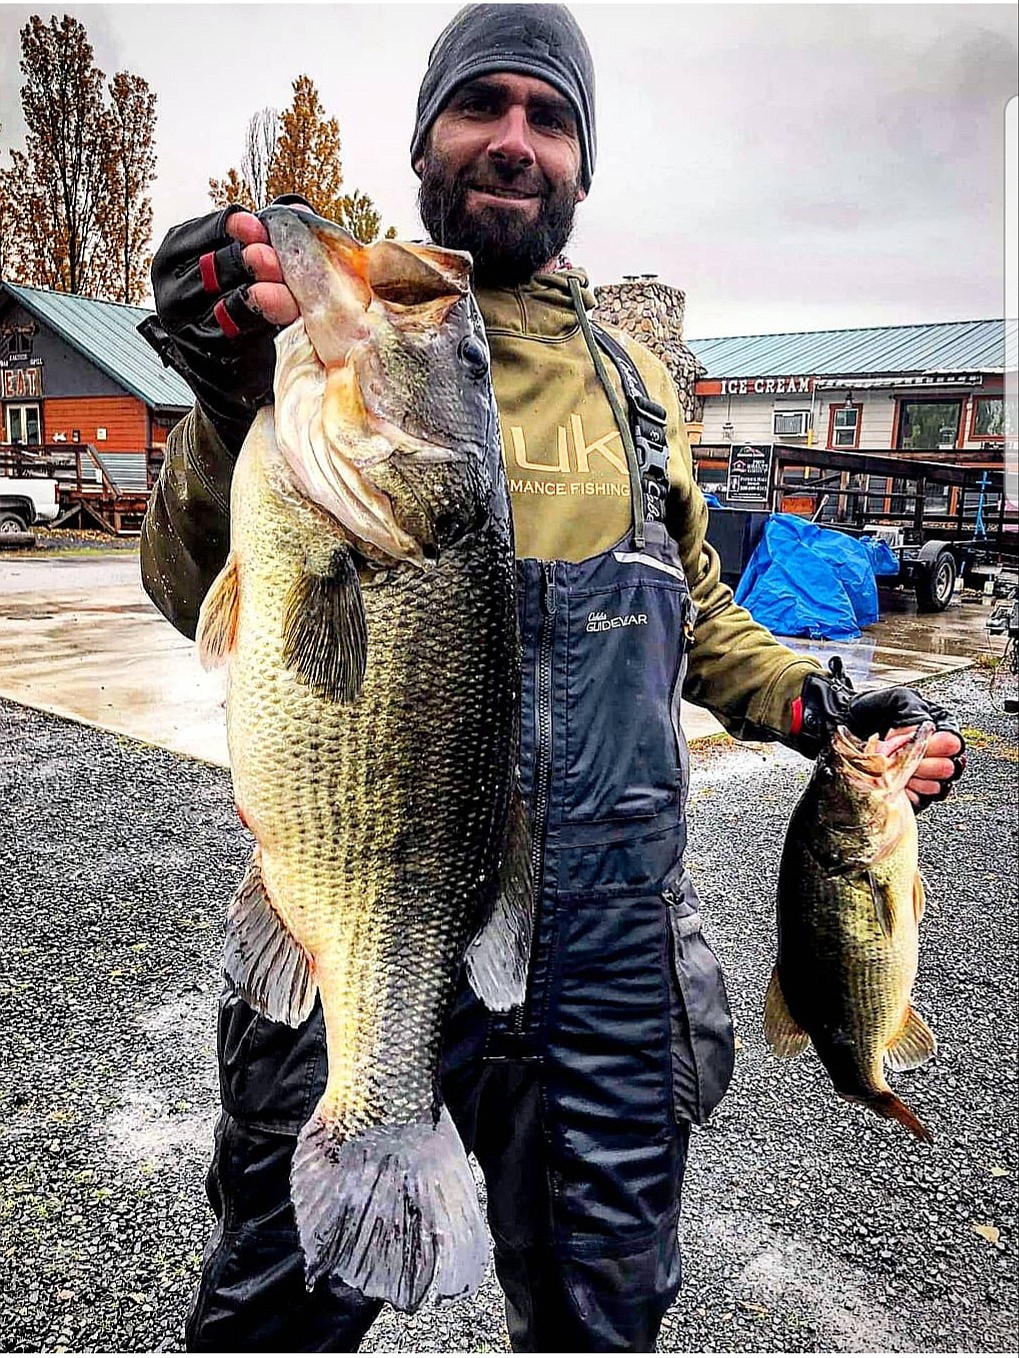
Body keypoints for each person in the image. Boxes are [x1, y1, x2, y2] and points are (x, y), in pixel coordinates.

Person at [139, 5, 966, 1351]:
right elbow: (194, 593)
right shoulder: (332, 354)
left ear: (583, 160)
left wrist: (820, 706)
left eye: (552, 116)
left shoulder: (638, 386)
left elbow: (692, 607)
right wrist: (230, 393)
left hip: (603, 948)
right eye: (484, 108)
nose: (516, 142)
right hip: (361, 900)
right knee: (269, 1310)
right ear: (426, 138)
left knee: (601, 1311)